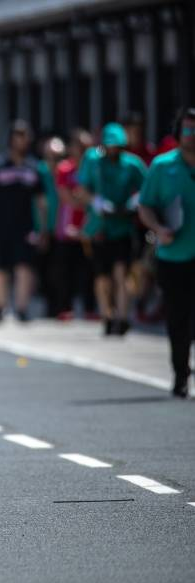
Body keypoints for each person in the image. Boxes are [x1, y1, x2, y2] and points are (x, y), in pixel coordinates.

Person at [137, 106, 195, 398]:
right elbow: (145, 205)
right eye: (187, 129)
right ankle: (181, 373)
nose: (192, 135)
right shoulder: (162, 166)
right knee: (177, 317)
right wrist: (159, 229)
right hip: (173, 255)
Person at [78, 122, 147, 336]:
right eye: (109, 146)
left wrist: (134, 202)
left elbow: (147, 188)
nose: (112, 150)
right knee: (102, 277)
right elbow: (81, 189)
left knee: (122, 272)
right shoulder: (93, 161)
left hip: (123, 226)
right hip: (100, 227)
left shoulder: (132, 164)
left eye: (116, 146)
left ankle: (123, 317)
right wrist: (95, 202)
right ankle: (107, 316)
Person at [0, 120, 47, 323]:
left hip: (25, 226)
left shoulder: (34, 167)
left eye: (25, 136)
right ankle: (0, 306)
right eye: (18, 135)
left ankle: (21, 308)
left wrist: (43, 228)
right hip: (0, 225)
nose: (22, 140)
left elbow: (41, 202)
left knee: (24, 266)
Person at [53, 129, 97, 319]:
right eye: (80, 146)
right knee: (65, 270)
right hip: (67, 227)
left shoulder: (94, 168)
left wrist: (86, 200)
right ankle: (64, 307)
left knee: (89, 269)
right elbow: (66, 196)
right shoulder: (65, 168)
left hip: (89, 227)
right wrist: (86, 201)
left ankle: (89, 308)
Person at [37, 135, 65, 318]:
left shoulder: (67, 170)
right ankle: (51, 307)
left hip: (64, 228)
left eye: (58, 157)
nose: (54, 161)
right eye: (50, 156)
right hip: (44, 227)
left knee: (62, 269)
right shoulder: (39, 171)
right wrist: (42, 230)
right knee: (46, 270)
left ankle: (62, 307)